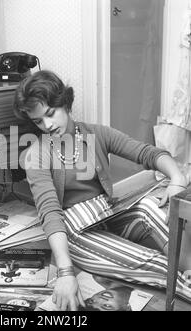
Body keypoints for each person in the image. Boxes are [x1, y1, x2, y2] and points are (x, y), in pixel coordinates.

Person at [13, 70, 191, 311]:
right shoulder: (37, 154)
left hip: (109, 214)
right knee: (149, 263)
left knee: (153, 205)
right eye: (38, 121)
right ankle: (183, 285)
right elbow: (50, 213)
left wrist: (177, 178)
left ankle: (189, 267)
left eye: (50, 114)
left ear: (64, 103)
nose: (47, 125)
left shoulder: (97, 133)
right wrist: (65, 272)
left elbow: (147, 153)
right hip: (76, 230)